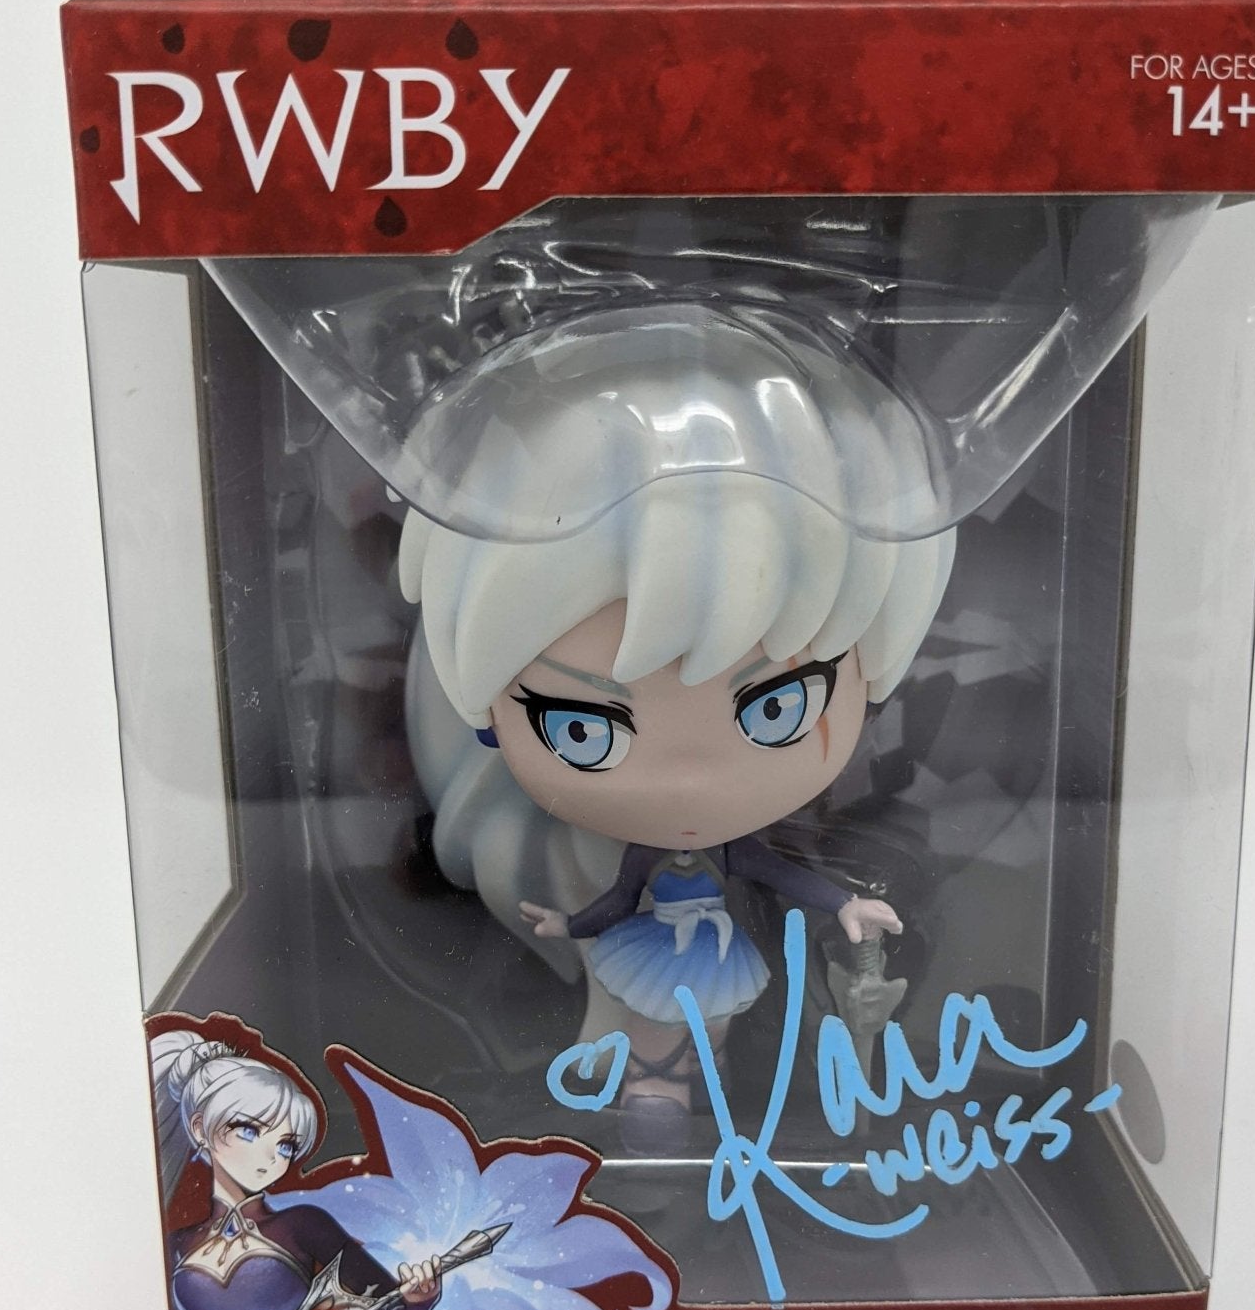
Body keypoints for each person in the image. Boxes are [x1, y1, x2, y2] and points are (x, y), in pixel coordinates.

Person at [402, 302, 955, 1148]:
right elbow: (618, 899)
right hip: (660, 951)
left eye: (778, 708)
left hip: (710, 956)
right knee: (650, 1012)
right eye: (581, 728)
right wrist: (567, 925)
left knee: (701, 1018)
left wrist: (847, 906)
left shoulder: (728, 851)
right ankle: (654, 1079)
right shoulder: (619, 854)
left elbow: (776, 872)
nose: (689, 780)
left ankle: (701, 1077)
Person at [151, 1029, 493, 1310]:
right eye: (249, 1131)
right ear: (200, 1129)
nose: (271, 1157)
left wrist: (420, 1297)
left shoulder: (300, 1225)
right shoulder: (176, 1245)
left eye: (285, 1145)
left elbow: (396, 1308)